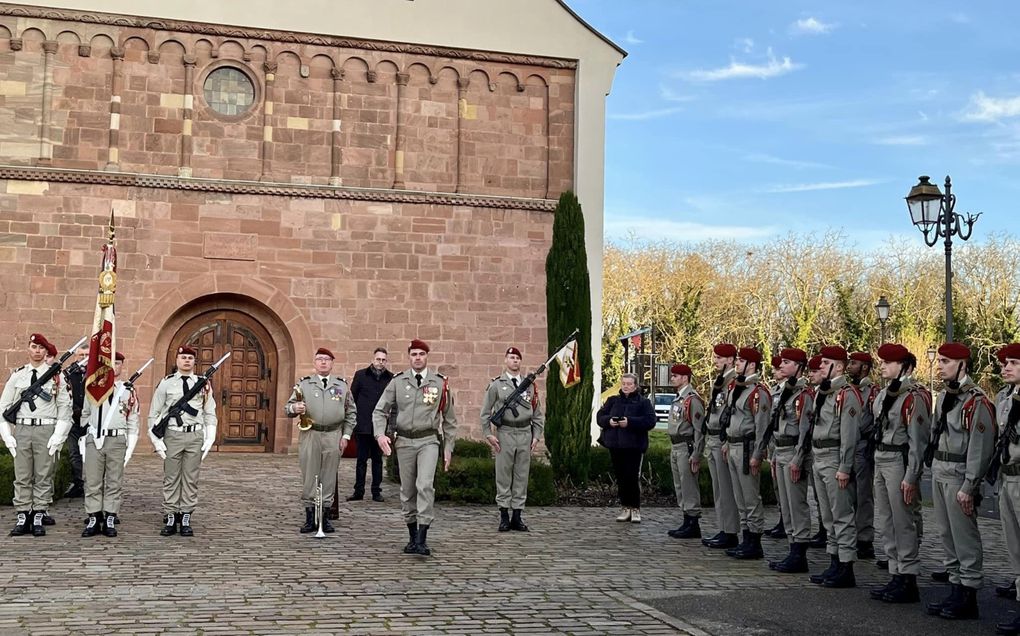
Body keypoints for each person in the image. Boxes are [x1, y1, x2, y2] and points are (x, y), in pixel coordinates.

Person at [925, 342, 996, 621]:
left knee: (964, 536)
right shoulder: (944, 397)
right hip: (941, 471)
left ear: (962, 365)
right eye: (939, 361)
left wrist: (970, 485)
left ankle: (969, 593)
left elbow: (980, 447)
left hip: (958, 474)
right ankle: (955, 587)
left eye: (945, 361)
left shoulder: (976, 401)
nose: (939, 365)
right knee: (946, 534)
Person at [373, 339, 458, 556]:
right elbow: (380, 410)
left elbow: (449, 419)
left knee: (425, 485)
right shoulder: (398, 381)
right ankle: (411, 535)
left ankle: (422, 537)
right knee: (407, 490)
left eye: (421, 354)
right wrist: (380, 434)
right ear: (409, 357)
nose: (417, 357)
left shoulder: (439, 383)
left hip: (428, 440)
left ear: (427, 356)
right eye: (414, 354)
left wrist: (448, 448)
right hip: (404, 442)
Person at [868, 344, 930, 603]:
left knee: (904, 520)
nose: (882, 365)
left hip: (898, 460)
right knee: (886, 519)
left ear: (904, 366)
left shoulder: (913, 396)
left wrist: (911, 476)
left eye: (888, 362)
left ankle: (908, 576)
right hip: (881, 457)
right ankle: (895, 572)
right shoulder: (884, 395)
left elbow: (918, 441)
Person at [0, 333, 72, 537]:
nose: (37, 351)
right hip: (22, 429)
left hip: (45, 429)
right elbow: (4, 406)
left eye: (41, 348)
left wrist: (58, 435)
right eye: (33, 347)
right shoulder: (18, 375)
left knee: (43, 474)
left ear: (46, 351)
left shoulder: (57, 376)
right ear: (28, 349)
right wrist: (7, 435)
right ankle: (23, 514)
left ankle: (39, 513)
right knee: (22, 475)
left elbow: (64, 408)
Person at [808, 345, 863, 588]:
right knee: (828, 516)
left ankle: (846, 565)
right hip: (819, 454)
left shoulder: (846, 394)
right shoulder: (824, 392)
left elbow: (849, 434)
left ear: (839, 366)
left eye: (826, 362)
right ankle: (834, 561)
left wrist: (845, 466)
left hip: (834, 457)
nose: (820, 365)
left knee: (841, 514)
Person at [147, 345, 217, 537]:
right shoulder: (166, 383)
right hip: (173, 434)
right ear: (177, 361)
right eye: (183, 357)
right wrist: (155, 440)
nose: (187, 361)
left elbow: (209, 411)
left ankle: (186, 515)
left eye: (190, 358)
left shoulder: (203, 384)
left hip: (195, 435)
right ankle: (171, 514)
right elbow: (154, 413)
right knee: (171, 477)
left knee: (191, 478)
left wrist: (210, 435)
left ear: (195, 361)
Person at [285, 347, 357, 533]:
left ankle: (324, 517)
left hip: (333, 435)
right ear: (314, 363)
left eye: (327, 359)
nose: (323, 362)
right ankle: (310, 517)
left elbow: (351, 412)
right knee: (310, 475)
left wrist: (346, 435)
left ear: (332, 363)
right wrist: (295, 408)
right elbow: (288, 407)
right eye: (319, 359)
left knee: (328, 475)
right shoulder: (304, 385)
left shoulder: (342, 385)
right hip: (311, 434)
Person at [480, 346, 545, 532]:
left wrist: (536, 436)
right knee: (503, 475)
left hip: (525, 433)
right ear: (505, 361)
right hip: (505, 433)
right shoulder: (496, 385)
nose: (515, 360)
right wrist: (488, 434)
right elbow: (485, 413)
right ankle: (503, 516)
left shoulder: (530, 385)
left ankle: (517, 515)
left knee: (521, 475)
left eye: (517, 357)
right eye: (511, 357)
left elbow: (537, 414)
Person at [763, 348, 814, 573]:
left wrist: (798, 458)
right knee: (785, 503)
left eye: (786, 362)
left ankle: (799, 551)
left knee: (796, 503)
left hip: (793, 451)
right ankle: (792, 547)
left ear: (798, 367)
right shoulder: (785, 391)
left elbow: (804, 431)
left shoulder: (803, 394)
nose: (781, 365)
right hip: (781, 449)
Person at [79, 352, 140, 538]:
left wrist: (130, 444)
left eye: (118, 363)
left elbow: (133, 418)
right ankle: (94, 516)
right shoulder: (93, 388)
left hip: (117, 440)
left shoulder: (128, 390)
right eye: (111, 362)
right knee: (92, 480)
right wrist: (85, 437)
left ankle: (111, 516)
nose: (115, 366)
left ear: (122, 367)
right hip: (95, 439)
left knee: (114, 480)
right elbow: (85, 414)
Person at [722, 347, 772, 559]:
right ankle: (746, 538)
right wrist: (726, 441)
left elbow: (762, 427)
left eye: (741, 361)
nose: (737, 364)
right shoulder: (737, 388)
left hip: (746, 448)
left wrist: (757, 454)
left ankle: (755, 541)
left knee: (750, 497)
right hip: (734, 445)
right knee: (739, 497)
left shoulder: (758, 393)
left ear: (751, 365)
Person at [597, 373, 655, 523]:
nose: (626, 386)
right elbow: (600, 416)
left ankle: (635, 508)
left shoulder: (643, 402)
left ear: (635, 386)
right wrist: (609, 421)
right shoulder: (613, 401)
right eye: (624, 384)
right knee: (621, 477)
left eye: (629, 384)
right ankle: (625, 507)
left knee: (632, 477)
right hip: (616, 445)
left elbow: (650, 421)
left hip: (634, 446)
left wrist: (630, 422)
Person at [702, 343, 741, 549]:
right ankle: (724, 528)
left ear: (730, 360)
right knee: (719, 488)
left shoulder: (733, 383)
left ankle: (731, 531)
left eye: (719, 358)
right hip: (713, 438)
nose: (715, 361)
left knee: (726, 489)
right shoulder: (720, 382)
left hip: (723, 439)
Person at [994, 343, 1020, 636]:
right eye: (1005, 363)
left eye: (1013, 362)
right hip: (1007, 477)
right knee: (1014, 546)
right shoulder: (1005, 399)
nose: (1006, 367)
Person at [665, 363, 705, 539]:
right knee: (680, 485)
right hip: (676, 446)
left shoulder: (692, 399)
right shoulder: (679, 399)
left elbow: (699, 429)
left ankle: (693, 522)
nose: (672, 378)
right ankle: (686, 519)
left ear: (685, 378)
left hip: (686, 446)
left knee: (688, 485)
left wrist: (696, 454)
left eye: (675, 376)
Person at [348, 347, 393, 503]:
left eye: (383, 360)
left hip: (380, 427)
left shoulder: (390, 378)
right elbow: (352, 399)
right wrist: (353, 422)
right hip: (363, 424)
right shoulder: (361, 375)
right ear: (373, 359)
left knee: (377, 460)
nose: (380, 362)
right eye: (378, 359)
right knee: (361, 460)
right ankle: (358, 491)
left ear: (386, 361)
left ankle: (376, 491)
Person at [848, 351, 880, 560]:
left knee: (863, 494)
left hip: (863, 445)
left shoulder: (872, 392)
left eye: (854, 363)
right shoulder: (848, 390)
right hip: (848, 446)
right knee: (848, 494)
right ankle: (851, 535)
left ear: (865, 367)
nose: (850, 366)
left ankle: (865, 538)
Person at [764, 355, 787, 540]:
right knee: (777, 485)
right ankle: (782, 518)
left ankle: (787, 521)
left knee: (787, 488)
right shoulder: (773, 391)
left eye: (778, 368)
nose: (774, 371)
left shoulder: (791, 392)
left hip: (787, 445)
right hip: (774, 443)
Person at [61, 344, 90, 498]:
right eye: (81, 355)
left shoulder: (96, 372)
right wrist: (74, 410)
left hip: (91, 420)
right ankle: (78, 483)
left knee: (92, 454)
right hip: (73, 418)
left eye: (87, 354)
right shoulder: (68, 373)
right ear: (76, 356)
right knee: (74, 453)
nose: (84, 358)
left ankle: (93, 485)